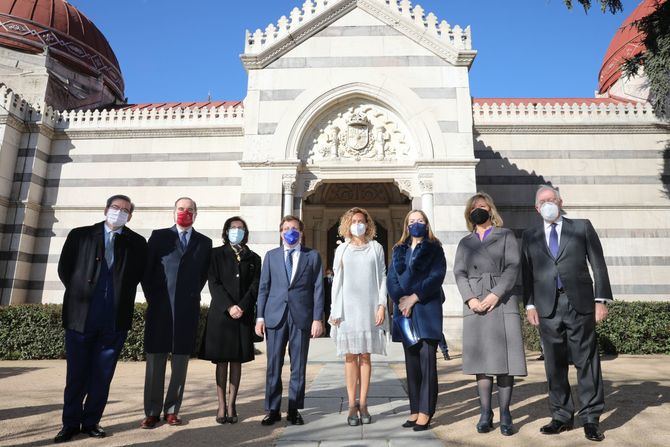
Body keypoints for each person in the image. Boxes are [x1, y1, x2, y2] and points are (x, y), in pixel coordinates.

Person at [521, 185, 612, 442]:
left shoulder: (581, 227)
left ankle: (591, 418)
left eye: (552, 199)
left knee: (587, 362)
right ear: (537, 208)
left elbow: (598, 264)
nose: (548, 203)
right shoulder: (530, 235)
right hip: (546, 307)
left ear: (560, 202)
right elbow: (526, 274)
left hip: (580, 304)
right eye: (543, 201)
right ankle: (561, 416)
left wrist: (600, 299)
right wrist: (529, 305)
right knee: (554, 364)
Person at [55, 195, 147, 443]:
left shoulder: (137, 242)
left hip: (114, 319)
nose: (119, 212)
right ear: (106, 209)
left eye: (125, 210)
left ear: (131, 216)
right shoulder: (80, 235)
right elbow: (65, 269)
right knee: (76, 374)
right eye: (116, 208)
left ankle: (92, 421)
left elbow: (137, 275)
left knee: (102, 375)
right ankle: (70, 423)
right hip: (81, 317)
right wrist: (81, 294)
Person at [453, 192, 527, 436]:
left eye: (483, 206)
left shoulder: (505, 235)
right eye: (474, 207)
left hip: (501, 300)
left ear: (490, 210)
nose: (479, 210)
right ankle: (485, 412)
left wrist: (496, 294)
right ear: (469, 213)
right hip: (475, 302)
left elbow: (513, 266)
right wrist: (470, 298)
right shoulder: (465, 242)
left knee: (505, 362)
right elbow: (459, 273)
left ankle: (506, 412)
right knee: (481, 362)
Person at [141, 197, 212, 429]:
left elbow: (201, 276)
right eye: (181, 209)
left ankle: (172, 410)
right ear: (174, 212)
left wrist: (190, 297)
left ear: (196, 214)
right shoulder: (159, 236)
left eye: (190, 210)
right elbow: (147, 272)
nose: (185, 212)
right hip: (159, 309)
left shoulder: (204, 242)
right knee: (155, 361)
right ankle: (152, 411)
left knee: (180, 363)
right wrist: (154, 300)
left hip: (186, 310)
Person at [255, 216, 324, 426]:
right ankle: (273, 409)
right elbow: (263, 287)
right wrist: (260, 317)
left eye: (294, 228)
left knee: (298, 365)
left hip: (301, 317)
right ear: (280, 232)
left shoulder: (312, 256)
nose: (290, 231)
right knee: (273, 364)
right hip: (275, 317)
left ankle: (294, 409)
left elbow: (318, 288)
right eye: (286, 228)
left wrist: (317, 318)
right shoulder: (271, 256)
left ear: (301, 233)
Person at [387, 209, 446, 432]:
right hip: (404, 313)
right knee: (411, 365)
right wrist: (401, 299)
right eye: (412, 221)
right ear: (406, 225)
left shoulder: (434, 248)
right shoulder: (398, 249)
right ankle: (414, 410)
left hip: (426, 309)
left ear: (426, 223)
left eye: (420, 220)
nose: (416, 224)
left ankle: (425, 412)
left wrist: (414, 298)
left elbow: (436, 277)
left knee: (427, 363)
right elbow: (391, 278)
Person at [329, 207, 388, 426]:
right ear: (347, 224)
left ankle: (363, 403)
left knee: (365, 356)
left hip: (370, 307)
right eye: (354, 221)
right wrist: (335, 309)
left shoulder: (376, 248)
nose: (358, 224)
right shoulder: (342, 249)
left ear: (368, 224)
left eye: (361, 220)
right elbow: (337, 281)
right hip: (347, 310)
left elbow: (383, 276)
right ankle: (351, 405)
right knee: (350, 356)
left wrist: (382, 305)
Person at [199, 216, 261, 424]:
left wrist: (242, 306)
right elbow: (214, 283)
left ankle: (232, 404)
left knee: (237, 361)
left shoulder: (254, 258)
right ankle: (221, 405)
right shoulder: (215, 254)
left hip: (243, 316)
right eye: (233, 228)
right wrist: (229, 306)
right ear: (226, 231)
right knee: (221, 361)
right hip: (221, 315)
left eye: (241, 228)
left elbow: (255, 286)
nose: (237, 231)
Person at [323, 268, 334, 336]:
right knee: (327, 317)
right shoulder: (324, 280)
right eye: (327, 273)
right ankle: (327, 332)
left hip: (333, 302)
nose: (328, 274)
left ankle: (333, 331)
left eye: (329, 273)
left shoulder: (335, 280)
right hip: (327, 302)